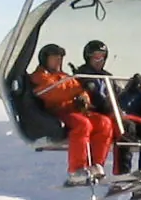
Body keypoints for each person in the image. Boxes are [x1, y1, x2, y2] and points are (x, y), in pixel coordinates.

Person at [30, 43, 114, 185]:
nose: (58, 61)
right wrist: (78, 89)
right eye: (54, 58)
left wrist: (84, 97)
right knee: (82, 124)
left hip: (74, 110)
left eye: (60, 58)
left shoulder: (63, 76)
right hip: (56, 112)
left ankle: (96, 164)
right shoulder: (40, 77)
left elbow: (78, 88)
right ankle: (76, 169)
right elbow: (55, 91)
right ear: (45, 59)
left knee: (103, 122)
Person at [73, 40, 141, 179]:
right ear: (88, 57)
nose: (100, 60)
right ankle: (122, 172)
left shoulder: (107, 76)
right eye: (96, 57)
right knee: (126, 128)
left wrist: (132, 87)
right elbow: (93, 97)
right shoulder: (84, 74)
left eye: (103, 57)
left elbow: (119, 95)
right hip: (99, 113)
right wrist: (91, 90)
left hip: (116, 112)